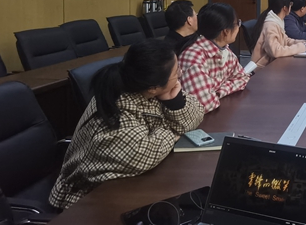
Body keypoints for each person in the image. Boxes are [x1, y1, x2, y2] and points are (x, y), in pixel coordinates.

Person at [49, 39, 203, 209]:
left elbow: (197, 114)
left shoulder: (147, 88)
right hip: (84, 202)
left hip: (126, 184)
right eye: (176, 71)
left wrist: (176, 102)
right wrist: (173, 132)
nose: (180, 73)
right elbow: (142, 154)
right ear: (153, 87)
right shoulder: (117, 107)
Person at [179, 3, 250, 113]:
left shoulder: (223, 49)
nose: (238, 28)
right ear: (225, 32)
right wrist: (220, 90)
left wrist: (217, 92)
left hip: (217, 113)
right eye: (237, 23)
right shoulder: (193, 56)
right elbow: (204, 105)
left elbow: (242, 78)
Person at [251, 0, 306, 67]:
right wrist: (299, 48)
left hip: (273, 64)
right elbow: (275, 51)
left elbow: (285, 40)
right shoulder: (271, 25)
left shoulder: (278, 20)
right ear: (285, 8)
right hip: (264, 68)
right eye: (290, 4)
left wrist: (299, 42)